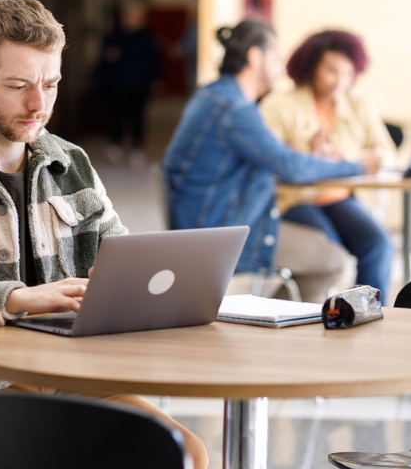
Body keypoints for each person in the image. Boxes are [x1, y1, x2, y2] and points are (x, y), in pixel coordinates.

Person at [0, 0, 209, 468]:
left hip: (76, 378)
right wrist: (14, 300)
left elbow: (122, 262)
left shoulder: (71, 162)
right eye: (19, 85)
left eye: (51, 84)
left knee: (188, 455)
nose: (38, 104)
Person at [162, 20, 379, 302]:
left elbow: (278, 162)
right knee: (336, 263)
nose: (280, 67)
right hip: (227, 234)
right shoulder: (235, 110)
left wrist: (310, 161)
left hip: (224, 221)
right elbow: (291, 166)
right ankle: (291, 325)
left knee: (335, 252)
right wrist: (358, 167)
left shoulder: (215, 96)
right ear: (255, 57)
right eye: (275, 57)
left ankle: (283, 318)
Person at [259, 30, 395, 301]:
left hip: (340, 197)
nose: (340, 81)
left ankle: (368, 311)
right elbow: (269, 163)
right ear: (311, 67)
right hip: (296, 200)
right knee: (334, 253)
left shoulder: (358, 105)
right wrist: (315, 159)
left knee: (379, 245)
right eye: (332, 71)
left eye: (348, 73)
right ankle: (324, 315)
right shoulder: (278, 106)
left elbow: (386, 153)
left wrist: (343, 159)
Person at [95, 1, 162, 167]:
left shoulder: (148, 37)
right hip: (117, 83)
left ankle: (137, 148)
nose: (136, 20)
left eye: (139, 17)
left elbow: (156, 60)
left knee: (138, 116)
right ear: (125, 18)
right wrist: (108, 57)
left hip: (140, 84)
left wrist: (157, 79)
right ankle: (115, 144)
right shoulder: (113, 36)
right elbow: (102, 60)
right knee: (116, 115)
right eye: (132, 16)